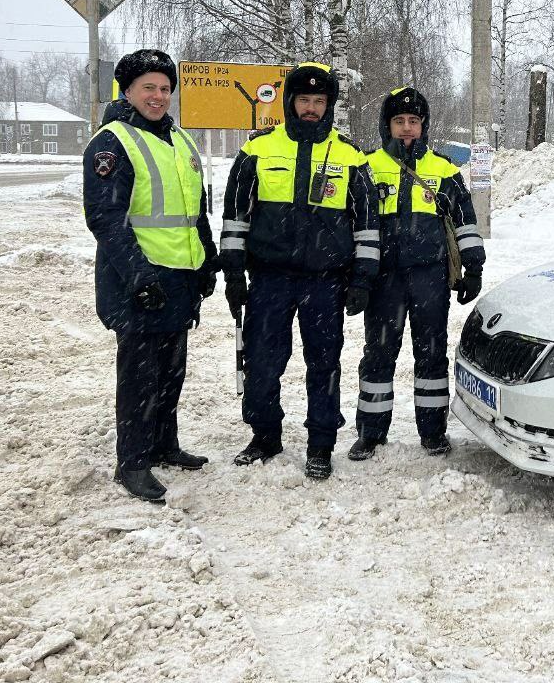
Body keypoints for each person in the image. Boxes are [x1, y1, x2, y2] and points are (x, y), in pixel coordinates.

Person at [220, 62, 379, 479]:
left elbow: (366, 224)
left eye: (319, 101)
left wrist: (362, 279)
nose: (311, 107)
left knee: (324, 364)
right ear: (290, 102)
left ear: (329, 106)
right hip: (269, 279)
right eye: (304, 100)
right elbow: (235, 217)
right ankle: (265, 434)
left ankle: (321, 443)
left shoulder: (349, 156)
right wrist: (234, 274)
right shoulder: (257, 150)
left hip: (326, 282)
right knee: (262, 360)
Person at [82, 49, 218, 504]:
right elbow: (106, 216)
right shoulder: (112, 141)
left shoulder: (180, 140)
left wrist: (206, 258)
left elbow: (191, 209)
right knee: (140, 375)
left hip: (179, 277)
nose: (159, 96)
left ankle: (163, 443)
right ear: (128, 91)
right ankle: (133, 462)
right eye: (149, 88)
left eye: (164, 88)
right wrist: (140, 275)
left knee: (171, 371)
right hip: (135, 279)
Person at [348, 86, 485, 461]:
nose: (406, 128)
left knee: (431, 355)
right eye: (399, 121)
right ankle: (371, 433)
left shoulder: (444, 169)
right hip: (384, 280)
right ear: (386, 125)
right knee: (378, 355)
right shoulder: (368, 167)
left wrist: (474, 267)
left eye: (413, 121)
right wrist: (358, 278)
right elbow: (356, 225)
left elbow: (465, 223)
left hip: (430, 277)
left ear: (423, 125)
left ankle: (433, 431)